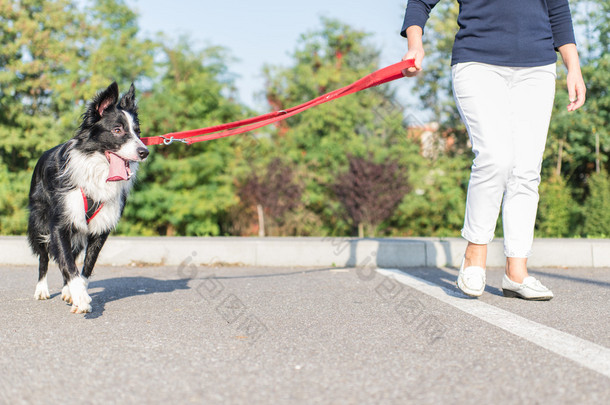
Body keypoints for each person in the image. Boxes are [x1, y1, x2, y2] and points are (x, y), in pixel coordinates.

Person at [400, 0, 586, 300]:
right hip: (478, 62)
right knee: (495, 157)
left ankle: (517, 272)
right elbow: (420, 2)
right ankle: (474, 257)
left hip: (537, 67)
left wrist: (573, 67)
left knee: (526, 169)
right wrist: (415, 43)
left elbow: (558, 9)